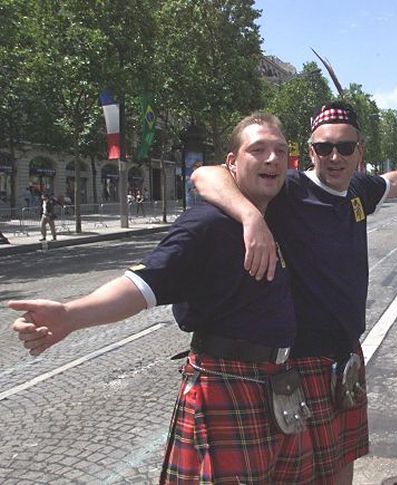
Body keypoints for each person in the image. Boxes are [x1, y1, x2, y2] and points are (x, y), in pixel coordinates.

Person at [10, 113, 315, 484]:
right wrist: (73, 314)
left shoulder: (277, 207)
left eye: (280, 151)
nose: (272, 159)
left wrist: (253, 216)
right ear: (232, 163)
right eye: (259, 150)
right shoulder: (206, 225)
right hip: (228, 386)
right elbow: (143, 284)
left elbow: (204, 173)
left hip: (277, 385)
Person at [192, 101, 397, 484]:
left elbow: (393, 181)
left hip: (346, 354)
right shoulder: (288, 188)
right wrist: (251, 217)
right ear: (309, 151)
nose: (334, 157)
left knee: (341, 462)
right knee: (301, 475)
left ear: (360, 152)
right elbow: (205, 175)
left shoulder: (359, 189)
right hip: (300, 359)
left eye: (345, 147)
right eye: (323, 147)